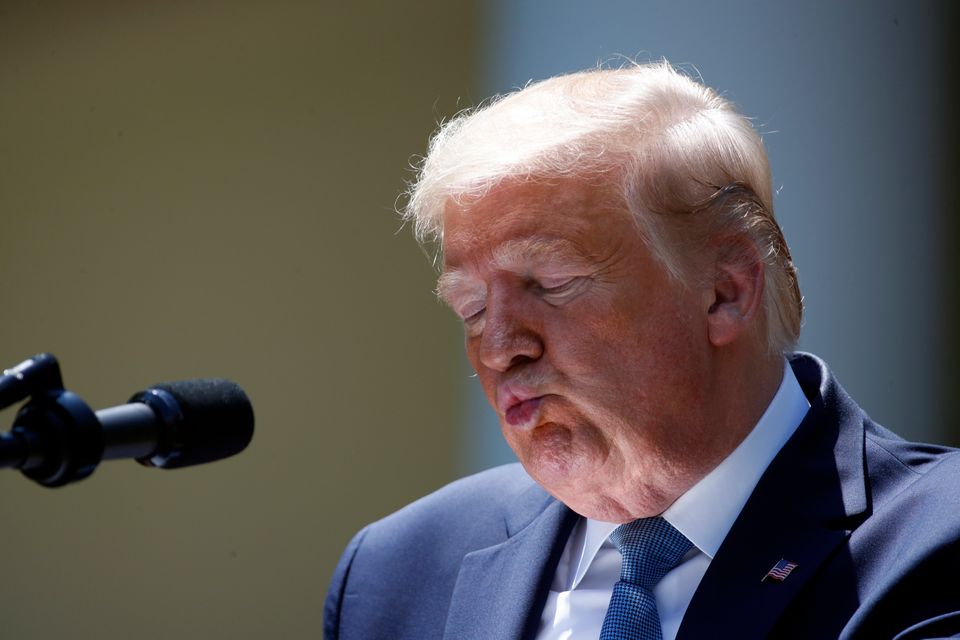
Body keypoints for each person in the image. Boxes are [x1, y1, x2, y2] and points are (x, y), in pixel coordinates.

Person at [323, 62, 960, 639]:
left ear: (724, 290)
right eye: (472, 308)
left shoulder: (935, 540)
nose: (497, 349)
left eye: (552, 283)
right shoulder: (397, 572)